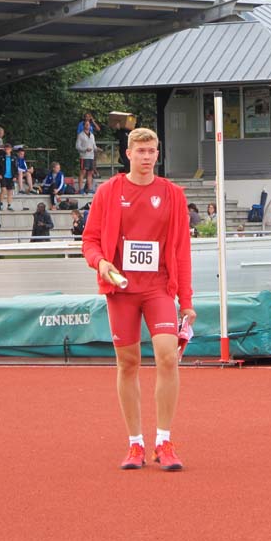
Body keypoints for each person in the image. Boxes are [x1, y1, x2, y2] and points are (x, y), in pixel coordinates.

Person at [81, 127, 194, 472]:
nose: (146, 157)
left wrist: (186, 300)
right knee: (128, 363)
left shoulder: (172, 194)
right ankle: (135, 443)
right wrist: (101, 263)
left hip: (158, 288)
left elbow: (182, 250)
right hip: (122, 290)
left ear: (158, 154)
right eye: (140, 151)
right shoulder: (109, 191)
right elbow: (90, 240)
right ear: (128, 154)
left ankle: (164, 440)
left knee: (167, 356)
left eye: (152, 151)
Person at [76, 123, 97, 194]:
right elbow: (77, 146)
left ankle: (90, 188)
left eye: (89, 125)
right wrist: (85, 149)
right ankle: (80, 189)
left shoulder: (92, 135)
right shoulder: (80, 135)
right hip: (84, 156)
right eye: (86, 124)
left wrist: (96, 149)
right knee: (83, 172)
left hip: (91, 156)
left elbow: (94, 145)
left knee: (90, 172)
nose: (88, 126)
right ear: (84, 126)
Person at [0, 143, 18, 211]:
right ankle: (0, 204)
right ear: (4, 149)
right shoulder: (1, 158)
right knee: (3, 190)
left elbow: (15, 168)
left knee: (10, 191)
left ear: (11, 149)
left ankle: (9, 205)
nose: (7, 150)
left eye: (8, 149)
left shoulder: (14, 158)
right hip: (3, 176)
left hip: (11, 177)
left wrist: (15, 176)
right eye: (6, 149)